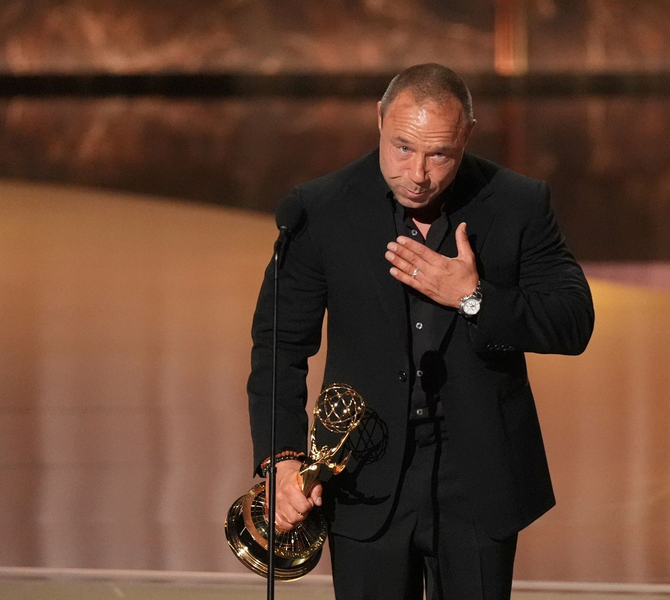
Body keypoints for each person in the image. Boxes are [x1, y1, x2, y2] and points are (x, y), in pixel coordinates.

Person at [247, 63, 594, 599]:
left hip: (478, 477)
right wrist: (282, 459)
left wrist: (473, 297)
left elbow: (573, 322)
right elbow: (279, 345)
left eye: (440, 155)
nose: (417, 174)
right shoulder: (320, 209)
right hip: (362, 473)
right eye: (402, 147)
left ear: (467, 136)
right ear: (379, 119)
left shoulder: (518, 203)